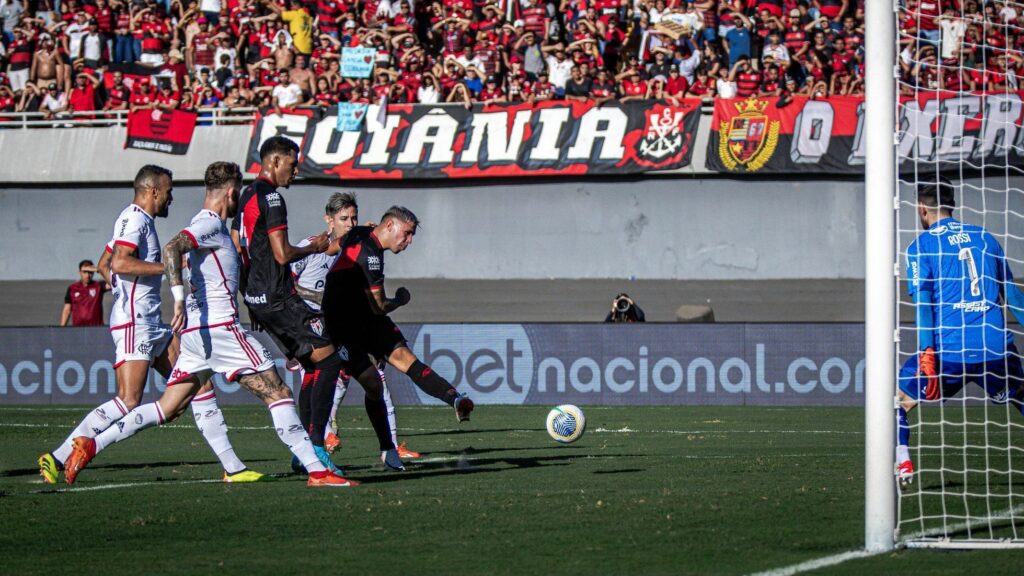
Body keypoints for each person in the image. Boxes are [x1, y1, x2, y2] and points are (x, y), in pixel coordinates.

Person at [61, 162, 355, 488]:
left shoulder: (215, 229)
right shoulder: (209, 225)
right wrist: (176, 297)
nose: (239, 202)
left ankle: (91, 444)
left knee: (166, 408)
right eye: (238, 196)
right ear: (230, 193)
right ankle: (317, 471)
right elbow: (174, 247)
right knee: (279, 392)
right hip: (220, 330)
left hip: (196, 338)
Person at [39, 165, 261, 485]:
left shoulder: (138, 221)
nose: (171, 198)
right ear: (154, 191)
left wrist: (122, 287)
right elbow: (118, 262)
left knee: (198, 385)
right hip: (135, 321)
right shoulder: (133, 219)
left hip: (150, 321)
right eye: (168, 191)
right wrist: (167, 267)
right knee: (129, 399)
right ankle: (59, 456)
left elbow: (106, 263)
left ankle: (233, 466)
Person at [235, 136, 385, 475]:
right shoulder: (271, 197)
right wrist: (315, 247)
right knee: (329, 362)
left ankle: (304, 452)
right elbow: (283, 254)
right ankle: (316, 449)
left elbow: (239, 248)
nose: (296, 169)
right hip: (279, 297)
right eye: (292, 162)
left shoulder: (245, 196)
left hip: (261, 299)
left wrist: (250, 300)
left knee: (314, 365)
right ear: (275, 161)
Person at [322, 206, 474, 470]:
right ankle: (381, 448)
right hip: (341, 325)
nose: (409, 241)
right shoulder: (371, 255)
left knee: (407, 360)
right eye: (407, 233)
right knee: (371, 383)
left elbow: (331, 248)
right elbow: (380, 305)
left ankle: (456, 399)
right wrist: (401, 300)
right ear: (390, 226)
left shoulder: (362, 235)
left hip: (365, 318)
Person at [896, 178, 1024, 487]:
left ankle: (903, 461)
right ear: (951, 205)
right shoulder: (986, 237)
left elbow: (924, 307)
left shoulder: (921, 247)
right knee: (1021, 394)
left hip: (949, 350)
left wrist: (927, 353)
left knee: (898, 400)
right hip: (995, 346)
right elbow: (1014, 299)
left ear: (922, 208)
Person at [290, 192, 420, 460]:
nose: (350, 223)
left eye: (354, 218)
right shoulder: (313, 246)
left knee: (368, 378)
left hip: (341, 324)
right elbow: (286, 282)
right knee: (320, 377)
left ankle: (388, 445)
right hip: (311, 323)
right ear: (329, 219)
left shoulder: (357, 246)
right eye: (343, 218)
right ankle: (315, 442)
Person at [61, 259, 109, 327]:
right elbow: (67, 310)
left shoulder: (98, 286)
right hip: (78, 330)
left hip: (96, 329)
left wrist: (98, 269)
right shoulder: (72, 288)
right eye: (85, 272)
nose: (87, 275)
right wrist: (61, 329)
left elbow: (114, 283)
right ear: (80, 272)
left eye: (90, 272)